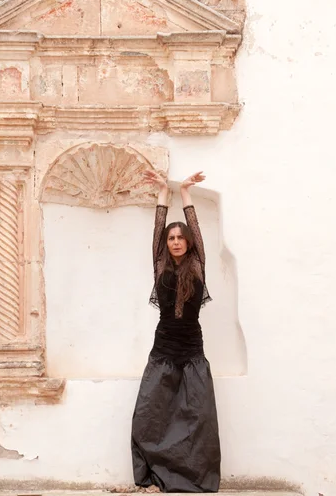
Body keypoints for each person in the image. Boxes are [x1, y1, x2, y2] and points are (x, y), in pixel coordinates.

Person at [131, 170, 221, 493]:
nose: (176, 241)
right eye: (172, 238)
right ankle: (153, 474)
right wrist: (161, 193)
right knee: (149, 414)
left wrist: (185, 192)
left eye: (180, 238)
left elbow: (194, 227)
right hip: (164, 350)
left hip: (192, 351)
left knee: (199, 417)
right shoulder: (160, 265)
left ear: (189, 243)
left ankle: (195, 477)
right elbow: (156, 230)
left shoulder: (197, 264)